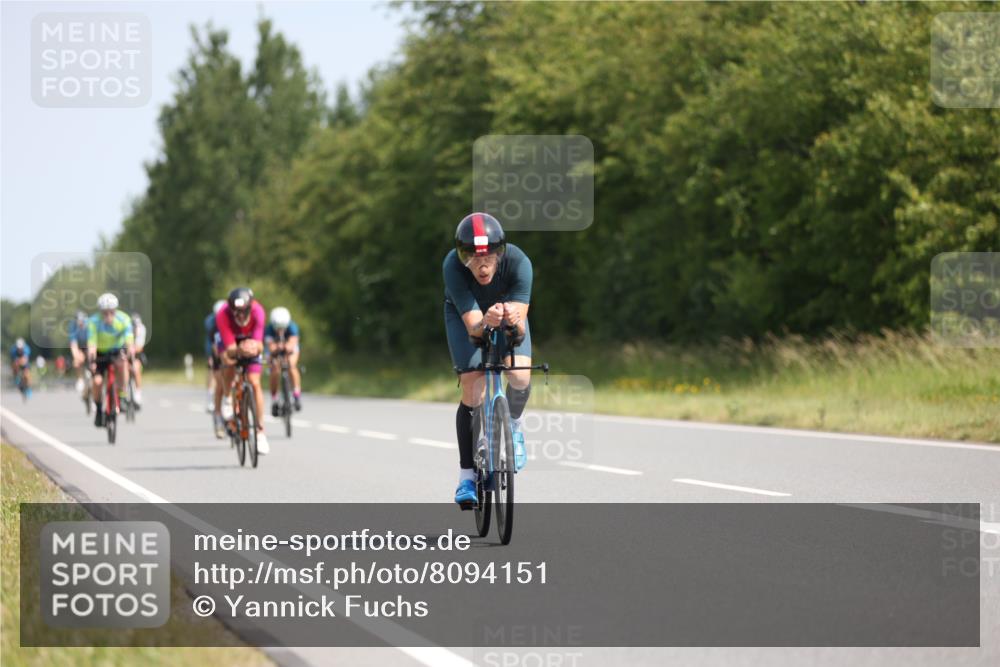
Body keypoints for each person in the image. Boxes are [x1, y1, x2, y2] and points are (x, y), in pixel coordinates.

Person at [443, 213, 533, 506]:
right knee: (473, 383)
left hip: (509, 313)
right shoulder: (453, 266)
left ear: (500, 252)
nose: (481, 265)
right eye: (472, 256)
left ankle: (515, 426)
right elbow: (474, 328)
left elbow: (519, 329)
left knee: (519, 375)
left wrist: (510, 319)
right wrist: (486, 322)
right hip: (465, 316)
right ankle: (466, 476)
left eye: (488, 256)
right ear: (462, 255)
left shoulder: (519, 262)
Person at [216, 287, 270, 454]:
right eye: (235, 312)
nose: (239, 316)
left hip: (251, 343)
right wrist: (239, 350)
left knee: (254, 382)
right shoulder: (222, 314)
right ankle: (227, 399)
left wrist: (253, 347)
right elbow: (230, 349)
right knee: (228, 364)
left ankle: (260, 433)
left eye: (243, 312)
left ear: (249, 308)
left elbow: (260, 344)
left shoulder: (258, 311)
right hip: (231, 343)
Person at [87, 293, 135, 427]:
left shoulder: (124, 319)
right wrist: (92, 361)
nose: (108, 315)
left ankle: (122, 395)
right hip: (100, 352)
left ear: (116, 310)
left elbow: (129, 341)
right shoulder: (93, 322)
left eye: (111, 312)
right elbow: (91, 345)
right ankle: (98, 409)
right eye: (104, 312)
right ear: (100, 311)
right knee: (97, 381)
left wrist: (130, 354)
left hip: (116, 350)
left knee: (123, 364)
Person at [265, 306, 302, 415]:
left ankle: (296, 394)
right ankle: (274, 399)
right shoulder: (269, 329)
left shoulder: (292, 326)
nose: (280, 330)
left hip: (288, 348)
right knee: (275, 369)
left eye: (283, 327)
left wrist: (286, 347)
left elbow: (293, 343)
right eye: (278, 327)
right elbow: (270, 347)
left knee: (291, 364)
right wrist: (276, 349)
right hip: (274, 350)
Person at [205, 299, 226, 434]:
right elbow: (213, 347)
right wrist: (212, 358)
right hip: (219, 352)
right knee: (220, 384)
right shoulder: (212, 325)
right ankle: (218, 416)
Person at [68, 311, 90, 394]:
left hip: (90, 344)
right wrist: (76, 356)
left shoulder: (90, 325)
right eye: (78, 322)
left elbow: (92, 341)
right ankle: (80, 378)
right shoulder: (73, 326)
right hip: (80, 346)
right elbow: (73, 343)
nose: (80, 324)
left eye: (82, 322)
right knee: (77, 362)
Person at [130, 313, 147, 407]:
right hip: (125, 352)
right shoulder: (125, 329)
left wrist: (131, 349)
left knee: (136, 368)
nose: (135, 330)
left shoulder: (142, 329)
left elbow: (139, 347)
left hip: (136, 354)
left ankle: (138, 393)